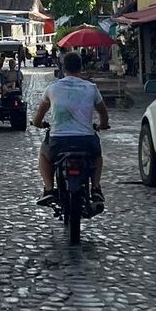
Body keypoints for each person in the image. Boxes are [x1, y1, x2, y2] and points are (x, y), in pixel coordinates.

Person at [32, 50, 109, 209]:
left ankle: (48, 189)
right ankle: (95, 188)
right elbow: (103, 111)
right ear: (81, 68)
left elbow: (39, 115)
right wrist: (102, 125)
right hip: (86, 141)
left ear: (63, 68)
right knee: (97, 156)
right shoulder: (91, 87)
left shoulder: (52, 88)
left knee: (44, 155)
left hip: (58, 142)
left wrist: (38, 123)